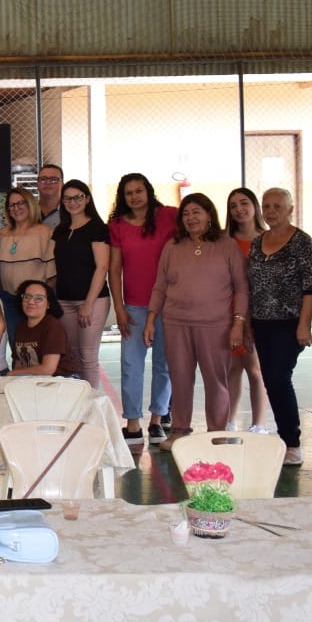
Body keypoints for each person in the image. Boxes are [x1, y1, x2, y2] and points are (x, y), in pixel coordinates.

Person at [146, 193, 249, 447]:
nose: (191, 218)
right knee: (180, 379)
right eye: (186, 213)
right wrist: (151, 318)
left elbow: (241, 288)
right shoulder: (172, 247)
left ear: (209, 214)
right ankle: (179, 431)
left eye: (196, 212)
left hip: (216, 325)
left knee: (216, 381)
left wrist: (238, 323)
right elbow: (160, 286)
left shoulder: (227, 246)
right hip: (175, 323)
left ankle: (217, 433)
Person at [248, 188, 312, 467]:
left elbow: (311, 286)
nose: (271, 211)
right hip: (261, 323)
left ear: (290, 209)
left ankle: (292, 442)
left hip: (289, 323)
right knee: (271, 381)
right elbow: (251, 284)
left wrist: (304, 324)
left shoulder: (302, 242)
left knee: (279, 378)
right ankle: (285, 438)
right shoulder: (257, 242)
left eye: (277, 206)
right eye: (266, 206)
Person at [108, 173, 177, 445]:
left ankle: (157, 419)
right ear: (122, 197)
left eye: (139, 191)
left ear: (148, 191)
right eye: (129, 193)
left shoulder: (169, 216)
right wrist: (119, 308)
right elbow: (114, 269)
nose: (134, 196)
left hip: (168, 305)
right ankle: (133, 423)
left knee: (164, 364)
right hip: (134, 307)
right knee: (131, 365)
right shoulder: (117, 225)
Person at [52, 180, 111, 389]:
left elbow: (102, 267)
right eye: (68, 198)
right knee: (74, 356)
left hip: (92, 301)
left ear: (87, 199)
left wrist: (88, 303)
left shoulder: (97, 228)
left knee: (88, 356)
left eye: (78, 197)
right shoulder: (60, 230)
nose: (73, 202)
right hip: (64, 301)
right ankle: (79, 400)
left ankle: (92, 403)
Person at [224, 187, 270, 433]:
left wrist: (249, 320)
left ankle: (258, 423)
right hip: (230, 313)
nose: (239, 209)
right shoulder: (225, 242)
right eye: (233, 206)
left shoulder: (267, 239)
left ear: (254, 206)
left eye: (244, 203)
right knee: (233, 368)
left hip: (258, 314)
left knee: (255, 369)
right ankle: (229, 421)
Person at [0, 188, 54, 352]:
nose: (16, 208)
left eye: (21, 203)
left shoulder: (44, 232)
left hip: (35, 301)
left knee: (36, 347)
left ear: (30, 204)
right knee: (16, 347)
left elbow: (52, 274)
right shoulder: (2, 234)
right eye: (12, 205)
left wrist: (44, 300)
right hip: (9, 299)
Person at [10, 279, 79, 377]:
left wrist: (14, 373)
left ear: (48, 304)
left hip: (62, 379)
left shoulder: (53, 326)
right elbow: (19, 364)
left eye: (38, 298)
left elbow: (48, 369)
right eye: (27, 296)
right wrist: (15, 376)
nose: (31, 301)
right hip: (34, 378)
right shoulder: (20, 326)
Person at [35, 163, 65, 227]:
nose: (48, 183)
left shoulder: (71, 211)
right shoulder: (27, 211)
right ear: (37, 184)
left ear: (62, 185)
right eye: (43, 179)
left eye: (53, 180)